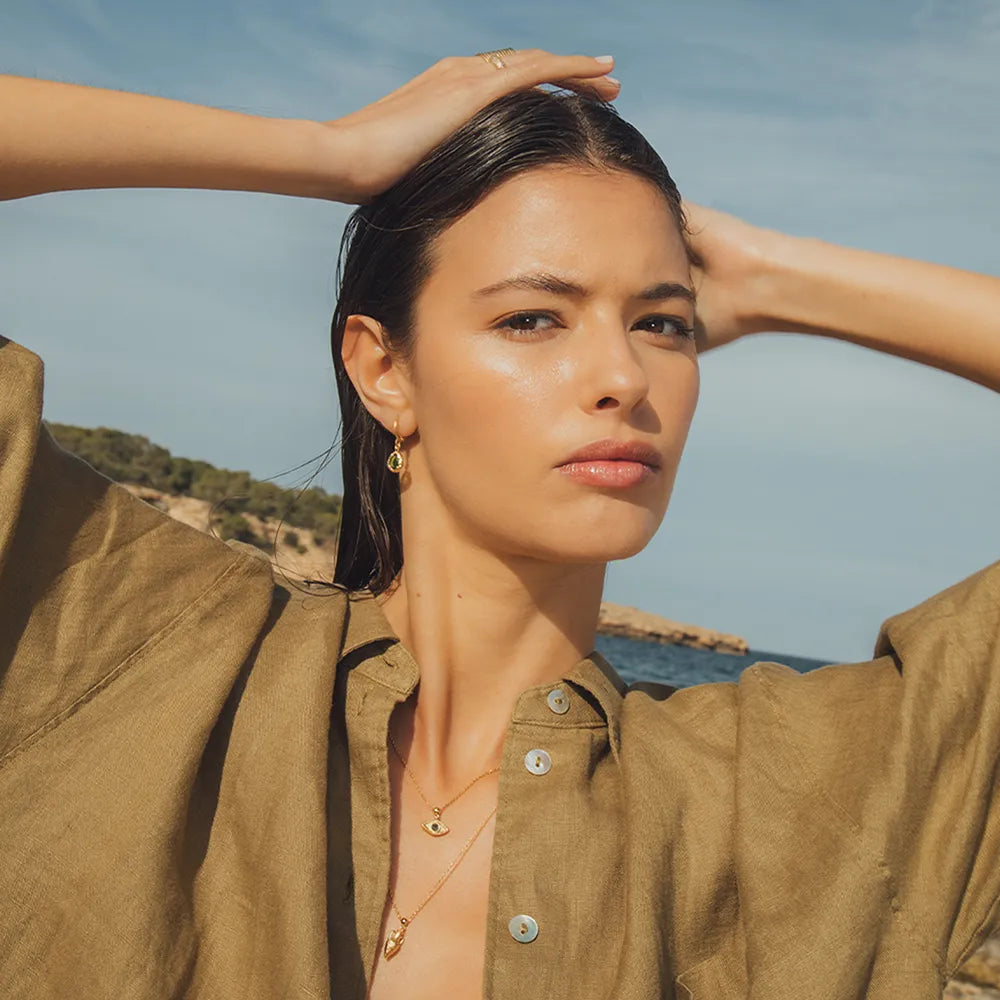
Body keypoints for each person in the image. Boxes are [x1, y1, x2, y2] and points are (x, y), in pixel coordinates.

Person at [0, 48, 998, 1000]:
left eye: (662, 324)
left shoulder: (794, 789)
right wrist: (324, 153)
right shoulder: (133, 639)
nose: (622, 378)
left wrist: (781, 279)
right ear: (384, 369)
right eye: (533, 317)